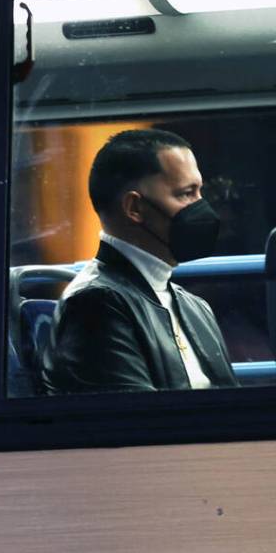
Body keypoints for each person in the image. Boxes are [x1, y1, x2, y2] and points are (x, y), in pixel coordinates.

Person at [41, 129, 237, 394]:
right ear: (134, 208)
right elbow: (141, 425)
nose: (201, 207)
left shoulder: (194, 307)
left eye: (199, 192)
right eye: (185, 194)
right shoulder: (96, 304)